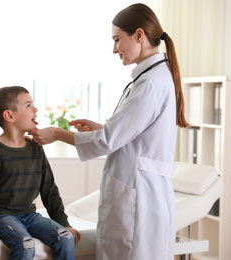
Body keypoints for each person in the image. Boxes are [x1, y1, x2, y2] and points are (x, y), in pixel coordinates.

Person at [29, 3, 189, 260]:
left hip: (140, 199)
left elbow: (107, 141)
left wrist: (57, 134)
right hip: (138, 192)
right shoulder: (151, 78)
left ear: (139, 35)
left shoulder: (151, 83)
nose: (114, 48)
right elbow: (133, 136)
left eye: (117, 39)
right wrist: (102, 128)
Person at [0, 86, 81, 259]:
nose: (36, 109)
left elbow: (49, 190)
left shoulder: (35, 148)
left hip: (30, 215)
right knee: (25, 244)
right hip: (2, 216)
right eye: (29, 105)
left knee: (66, 238)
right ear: (9, 116)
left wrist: (63, 223)